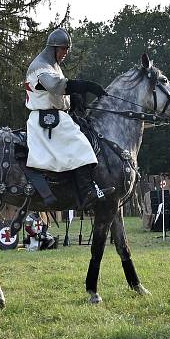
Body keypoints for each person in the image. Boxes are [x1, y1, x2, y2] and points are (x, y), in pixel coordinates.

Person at [23, 27, 110, 208]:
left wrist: (75, 99)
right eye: (63, 49)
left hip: (56, 115)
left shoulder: (54, 66)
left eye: (67, 50)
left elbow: (59, 92)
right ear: (53, 48)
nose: (65, 53)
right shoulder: (40, 67)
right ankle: (87, 192)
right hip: (47, 118)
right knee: (82, 146)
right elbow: (56, 87)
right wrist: (85, 86)